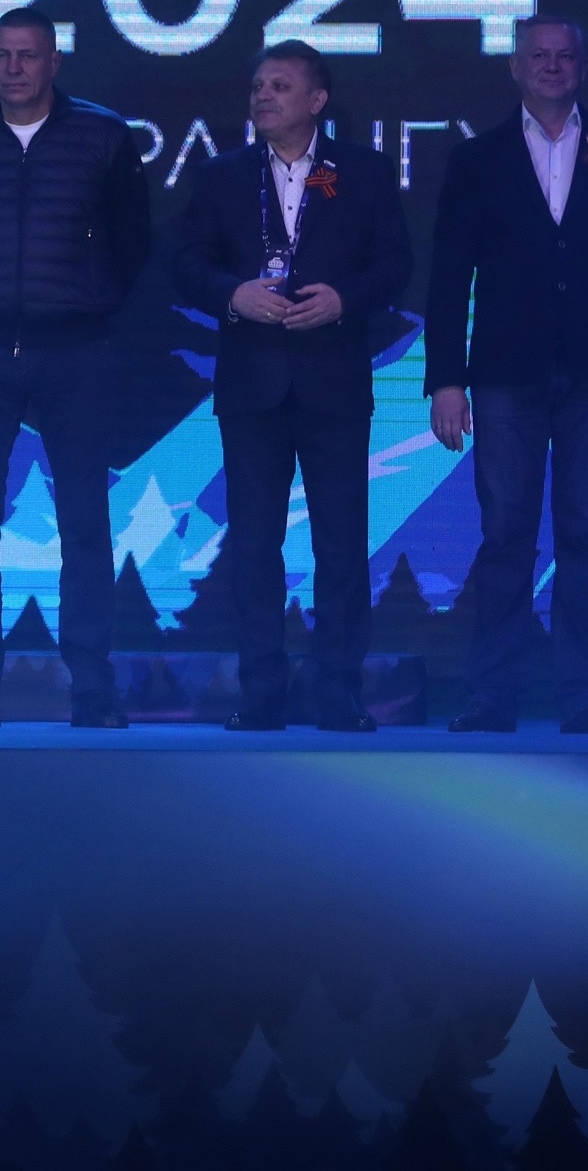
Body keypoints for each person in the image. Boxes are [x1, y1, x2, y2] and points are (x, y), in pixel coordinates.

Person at [427, 15, 588, 735]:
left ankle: (583, 694)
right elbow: (449, 276)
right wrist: (446, 378)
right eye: (539, 55)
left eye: (566, 56)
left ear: (583, 69)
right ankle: (492, 694)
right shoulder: (478, 159)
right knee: (506, 534)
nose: (552, 65)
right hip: (505, 373)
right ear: (515, 67)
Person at [0, 8, 150, 728]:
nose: (13, 68)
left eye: (27, 55)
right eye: (1, 55)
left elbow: (133, 242)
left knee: (85, 523)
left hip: (76, 352)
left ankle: (93, 688)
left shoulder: (103, 135)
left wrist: (87, 301)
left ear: (54, 62)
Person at [172, 40, 410, 732]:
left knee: (341, 545)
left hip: (333, 380)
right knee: (253, 546)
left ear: (317, 100)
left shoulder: (360, 173)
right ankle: (261, 693)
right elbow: (184, 263)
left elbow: (395, 263)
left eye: (279, 85)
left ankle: (338, 692)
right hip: (252, 384)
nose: (263, 96)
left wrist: (344, 299)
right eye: (258, 86)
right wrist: (232, 294)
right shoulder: (222, 176)